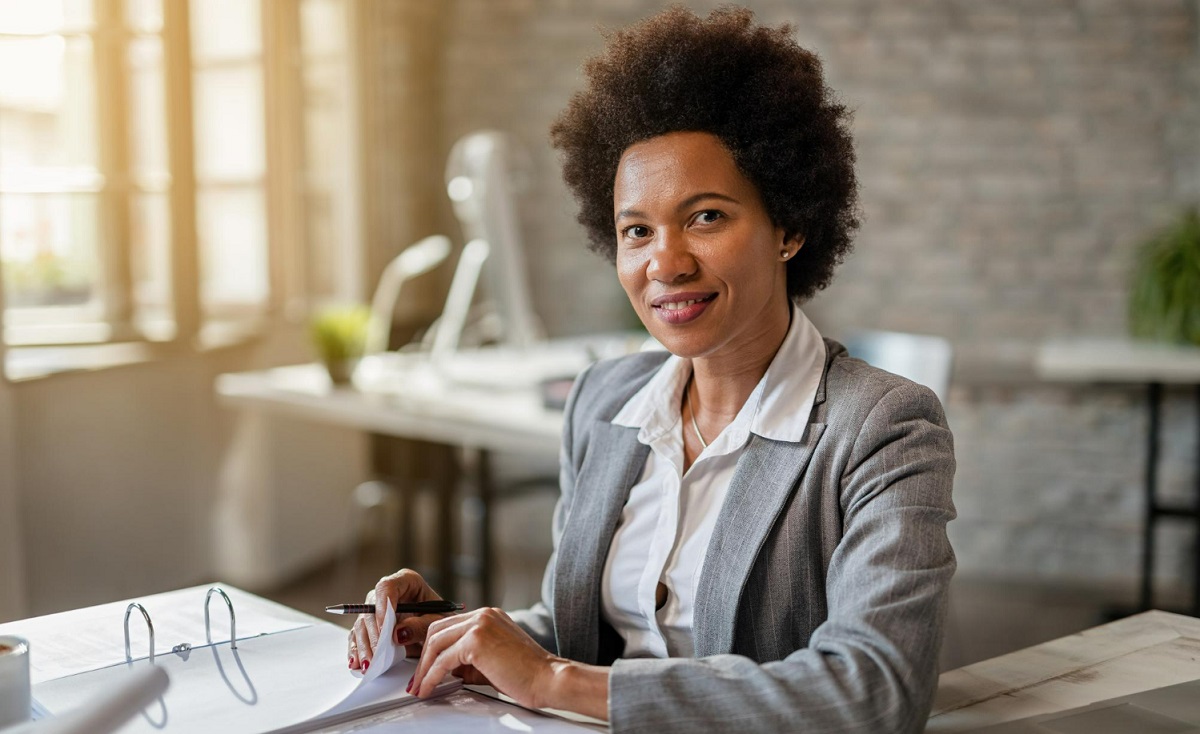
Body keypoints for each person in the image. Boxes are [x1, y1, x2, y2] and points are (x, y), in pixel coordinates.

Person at [347, 6, 956, 733]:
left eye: (705, 217)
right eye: (637, 230)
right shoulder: (604, 402)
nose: (664, 263)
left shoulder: (882, 427)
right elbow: (584, 632)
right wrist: (460, 635)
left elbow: (875, 690)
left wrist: (553, 680)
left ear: (789, 226)